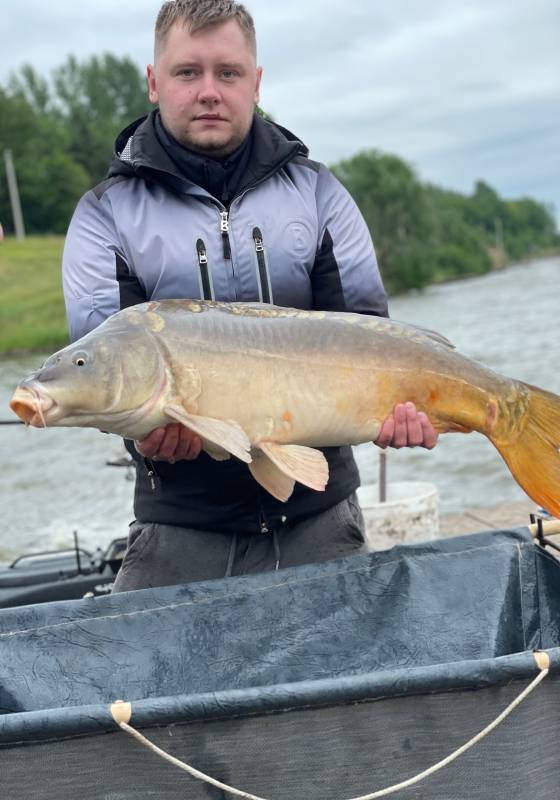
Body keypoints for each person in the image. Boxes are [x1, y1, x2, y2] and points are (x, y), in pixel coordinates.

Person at [62, 0, 438, 592]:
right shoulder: (103, 214)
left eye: (228, 73)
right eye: (188, 72)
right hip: (180, 526)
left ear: (255, 83)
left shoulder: (318, 192)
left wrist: (399, 410)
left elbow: (368, 329)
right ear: (154, 82)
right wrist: (146, 434)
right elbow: (106, 363)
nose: (209, 91)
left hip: (321, 510)